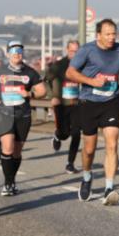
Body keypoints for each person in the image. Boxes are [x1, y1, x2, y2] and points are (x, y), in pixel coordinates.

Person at [66, 19, 119, 204]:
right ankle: (87, 177)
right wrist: (91, 81)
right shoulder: (87, 50)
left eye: (114, 34)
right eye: (108, 34)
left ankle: (109, 188)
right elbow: (70, 73)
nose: (112, 38)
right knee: (89, 150)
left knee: (112, 144)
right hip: (89, 102)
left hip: (111, 101)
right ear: (98, 35)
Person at [0, 40, 45, 196]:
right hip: (4, 113)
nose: (17, 54)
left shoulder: (30, 72)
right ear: (8, 54)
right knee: (8, 147)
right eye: (13, 51)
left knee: (17, 152)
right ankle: (7, 183)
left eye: (19, 51)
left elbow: (42, 90)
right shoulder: (0, 70)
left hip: (23, 115)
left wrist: (30, 94)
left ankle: (12, 181)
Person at [45, 40, 83, 173]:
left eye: (77, 51)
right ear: (67, 50)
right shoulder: (59, 66)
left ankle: (70, 163)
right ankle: (57, 135)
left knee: (76, 133)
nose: (75, 53)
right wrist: (52, 97)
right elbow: (46, 80)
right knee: (64, 134)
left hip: (76, 104)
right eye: (72, 51)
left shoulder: (83, 65)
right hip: (62, 104)